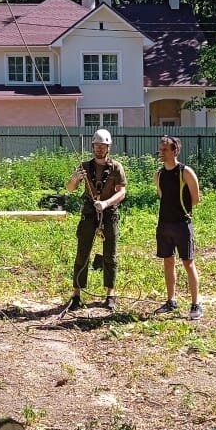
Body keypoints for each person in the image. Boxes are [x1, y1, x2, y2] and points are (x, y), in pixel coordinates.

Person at [61, 129, 127, 314]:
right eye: (97, 145)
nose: (99, 149)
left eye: (103, 146)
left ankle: (110, 295)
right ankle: (76, 295)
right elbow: (70, 188)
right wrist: (75, 179)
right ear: (93, 146)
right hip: (90, 213)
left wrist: (106, 203)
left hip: (109, 213)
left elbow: (122, 192)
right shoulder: (84, 167)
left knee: (110, 255)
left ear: (108, 147)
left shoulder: (116, 167)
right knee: (82, 253)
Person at [154, 135, 203, 320]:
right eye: (160, 149)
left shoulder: (185, 172)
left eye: (165, 149)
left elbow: (195, 199)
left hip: (182, 224)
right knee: (168, 261)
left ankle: (196, 304)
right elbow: (162, 195)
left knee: (188, 263)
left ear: (175, 151)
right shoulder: (158, 174)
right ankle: (171, 301)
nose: (161, 152)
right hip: (164, 224)